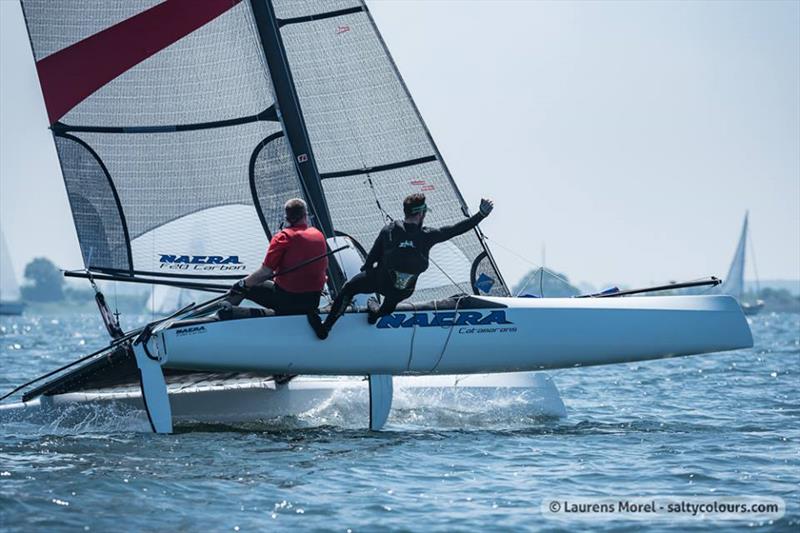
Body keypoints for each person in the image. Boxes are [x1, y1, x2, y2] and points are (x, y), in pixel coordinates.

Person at [316, 193, 494, 339]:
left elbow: (373, 256)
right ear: (420, 214)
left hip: (379, 280)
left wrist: (365, 270)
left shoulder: (390, 230)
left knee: (349, 289)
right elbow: (455, 229)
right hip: (402, 291)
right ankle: (376, 314)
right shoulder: (427, 235)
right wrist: (481, 215)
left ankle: (327, 327)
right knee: (389, 304)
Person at [227, 198, 328, 332]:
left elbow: (265, 272)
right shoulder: (319, 235)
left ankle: (219, 318)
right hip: (312, 301)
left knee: (243, 286)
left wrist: (242, 284)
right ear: (305, 215)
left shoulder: (283, 237)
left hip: (288, 302)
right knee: (264, 282)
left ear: (286, 217)